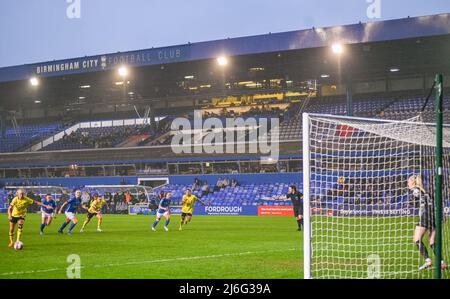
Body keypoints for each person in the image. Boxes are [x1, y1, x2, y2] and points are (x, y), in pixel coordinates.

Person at [408, 175, 446, 270]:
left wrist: (413, 199)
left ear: (413, 183)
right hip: (434, 216)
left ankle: (428, 261)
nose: (407, 184)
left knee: (417, 239)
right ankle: (441, 262)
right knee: (432, 241)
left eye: (408, 182)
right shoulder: (425, 192)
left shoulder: (415, 190)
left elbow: (413, 200)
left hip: (426, 216)